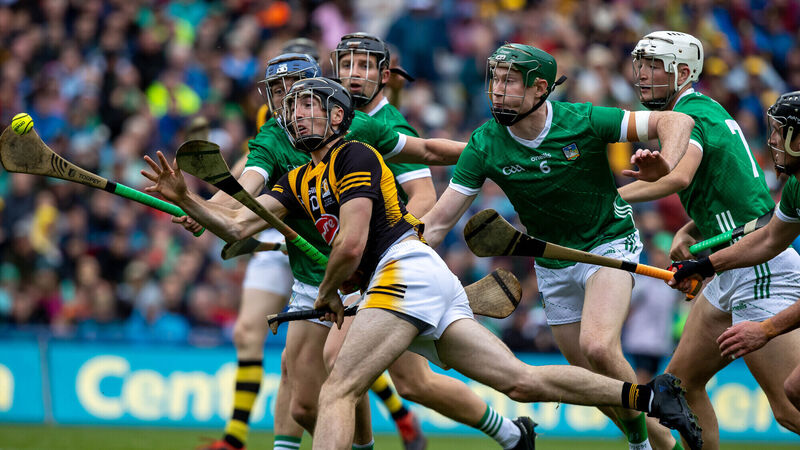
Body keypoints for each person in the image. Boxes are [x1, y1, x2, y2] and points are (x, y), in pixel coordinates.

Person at [142, 76, 703, 450]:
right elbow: (237, 226)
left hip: (402, 270)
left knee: (337, 389)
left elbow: (352, 245)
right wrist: (188, 200)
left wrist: (329, 293)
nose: (300, 113)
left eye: (313, 105)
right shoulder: (296, 181)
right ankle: (650, 396)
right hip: (411, 279)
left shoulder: (354, 154)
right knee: (521, 381)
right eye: (295, 107)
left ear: (339, 117)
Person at [419, 43, 695, 450]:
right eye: (495, 79)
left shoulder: (583, 120)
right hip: (552, 262)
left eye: (510, 81)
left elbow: (677, 120)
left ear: (539, 89)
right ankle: (662, 443)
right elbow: (439, 222)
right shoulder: (484, 144)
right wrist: (393, 258)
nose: (497, 89)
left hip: (608, 244)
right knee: (587, 379)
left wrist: (666, 164)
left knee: (598, 348)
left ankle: (639, 446)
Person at [324, 31, 534, 449]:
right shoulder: (335, 123)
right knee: (412, 383)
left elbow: (423, 196)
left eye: (363, 65)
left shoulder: (388, 125)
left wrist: (389, 256)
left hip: (385, 268)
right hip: (358, 267)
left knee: (338, 364)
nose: (353, 73)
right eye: (346, 64)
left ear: (383, 75)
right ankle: (512, 434)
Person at [618, 32, 800, 449]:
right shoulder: (700, 110)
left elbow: (680, 176)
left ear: (683, 72)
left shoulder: (691, 115)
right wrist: (693, 232)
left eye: (654, 66)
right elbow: (741, 201)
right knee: (678, 388)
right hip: (734, 262)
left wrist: (606, 201)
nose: (642, 74)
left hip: (759, 271)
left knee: (789, 409)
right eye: (640, 64)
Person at [669, 91, 800, 414]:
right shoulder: (796, 187)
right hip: (736, 273)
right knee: (678, 386)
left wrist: (766, 329)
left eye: (780, 132)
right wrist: (705, 266)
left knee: (789, 404)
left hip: (766, 280)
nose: (771, 140)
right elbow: (769, 238)